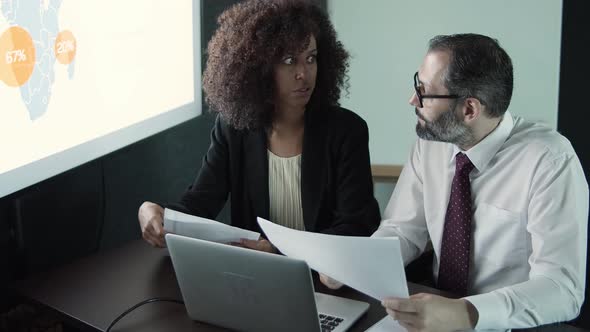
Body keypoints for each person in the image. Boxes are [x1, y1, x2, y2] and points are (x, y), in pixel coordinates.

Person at [323, 33, 589, 331]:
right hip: (432, 309)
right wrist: (355, 264)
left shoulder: (549, 160)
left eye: (424, 91)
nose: (412, 99)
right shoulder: (432, 141)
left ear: (470, 109)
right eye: (417, 84)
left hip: (510, 323)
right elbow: (404, 230)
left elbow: (562, 288)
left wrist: (466, 313)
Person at [138, 0, 380, 252]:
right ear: (259, 68)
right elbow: (200, 203)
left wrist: (279, 250)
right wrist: (155, 211)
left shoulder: (347, 131)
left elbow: (354, 227)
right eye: (289, 60)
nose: (303, 73)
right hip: (256, 277)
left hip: (325, 279)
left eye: (311, 58)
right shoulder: (234, 130)